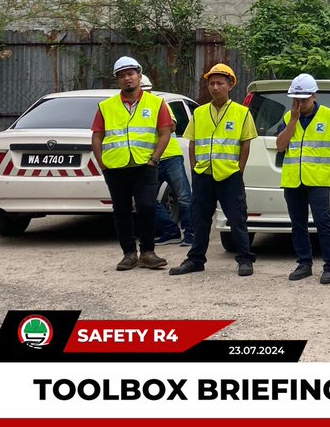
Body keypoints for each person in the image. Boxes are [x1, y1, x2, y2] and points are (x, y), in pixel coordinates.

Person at [168, 64, 257, 277]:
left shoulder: (242, 113)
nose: (215, 87)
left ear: (230, 85)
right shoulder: (199, 113)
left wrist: (239, 169)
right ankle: (196, 259)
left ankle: (245, 259)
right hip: (204, 175)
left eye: (220, 83)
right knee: (200, 220)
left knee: (237, 219)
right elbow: (192, 142)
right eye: (211, 83)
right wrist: (195, 168)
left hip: (229, 175)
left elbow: (246, 143)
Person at [90, 56, 172, 271]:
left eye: (130, 74)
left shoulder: (156, 103)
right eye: (122, 75)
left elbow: (165, 133)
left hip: (145, 166)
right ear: (117, 80)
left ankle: (147, 252)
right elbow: (97, 136)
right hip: (115, 168)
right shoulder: (106, 106)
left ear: (139, 75)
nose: (127, 79)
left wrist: (154, 159)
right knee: (122, 211)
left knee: (147, 207)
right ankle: (128, 254)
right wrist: (102, 164)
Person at [276, 73, 330, 285]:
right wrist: (293, 120)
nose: (299, 103)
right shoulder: (288, 117)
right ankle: (304, 263)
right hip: (293, 179)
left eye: (303, 99)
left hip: (319, 179)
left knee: (324, 223)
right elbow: (280, 145)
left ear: (314, 96)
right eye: (296, 99)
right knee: (298, 223)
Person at [141, 75, 194, 247]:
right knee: (146, 199)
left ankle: (190, 234)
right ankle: (170, 230)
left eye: (145, 90)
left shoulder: (158, 104)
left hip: (170, 156)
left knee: (184, 196)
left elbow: (171, 126)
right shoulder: (131, 110)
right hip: (149, 159)